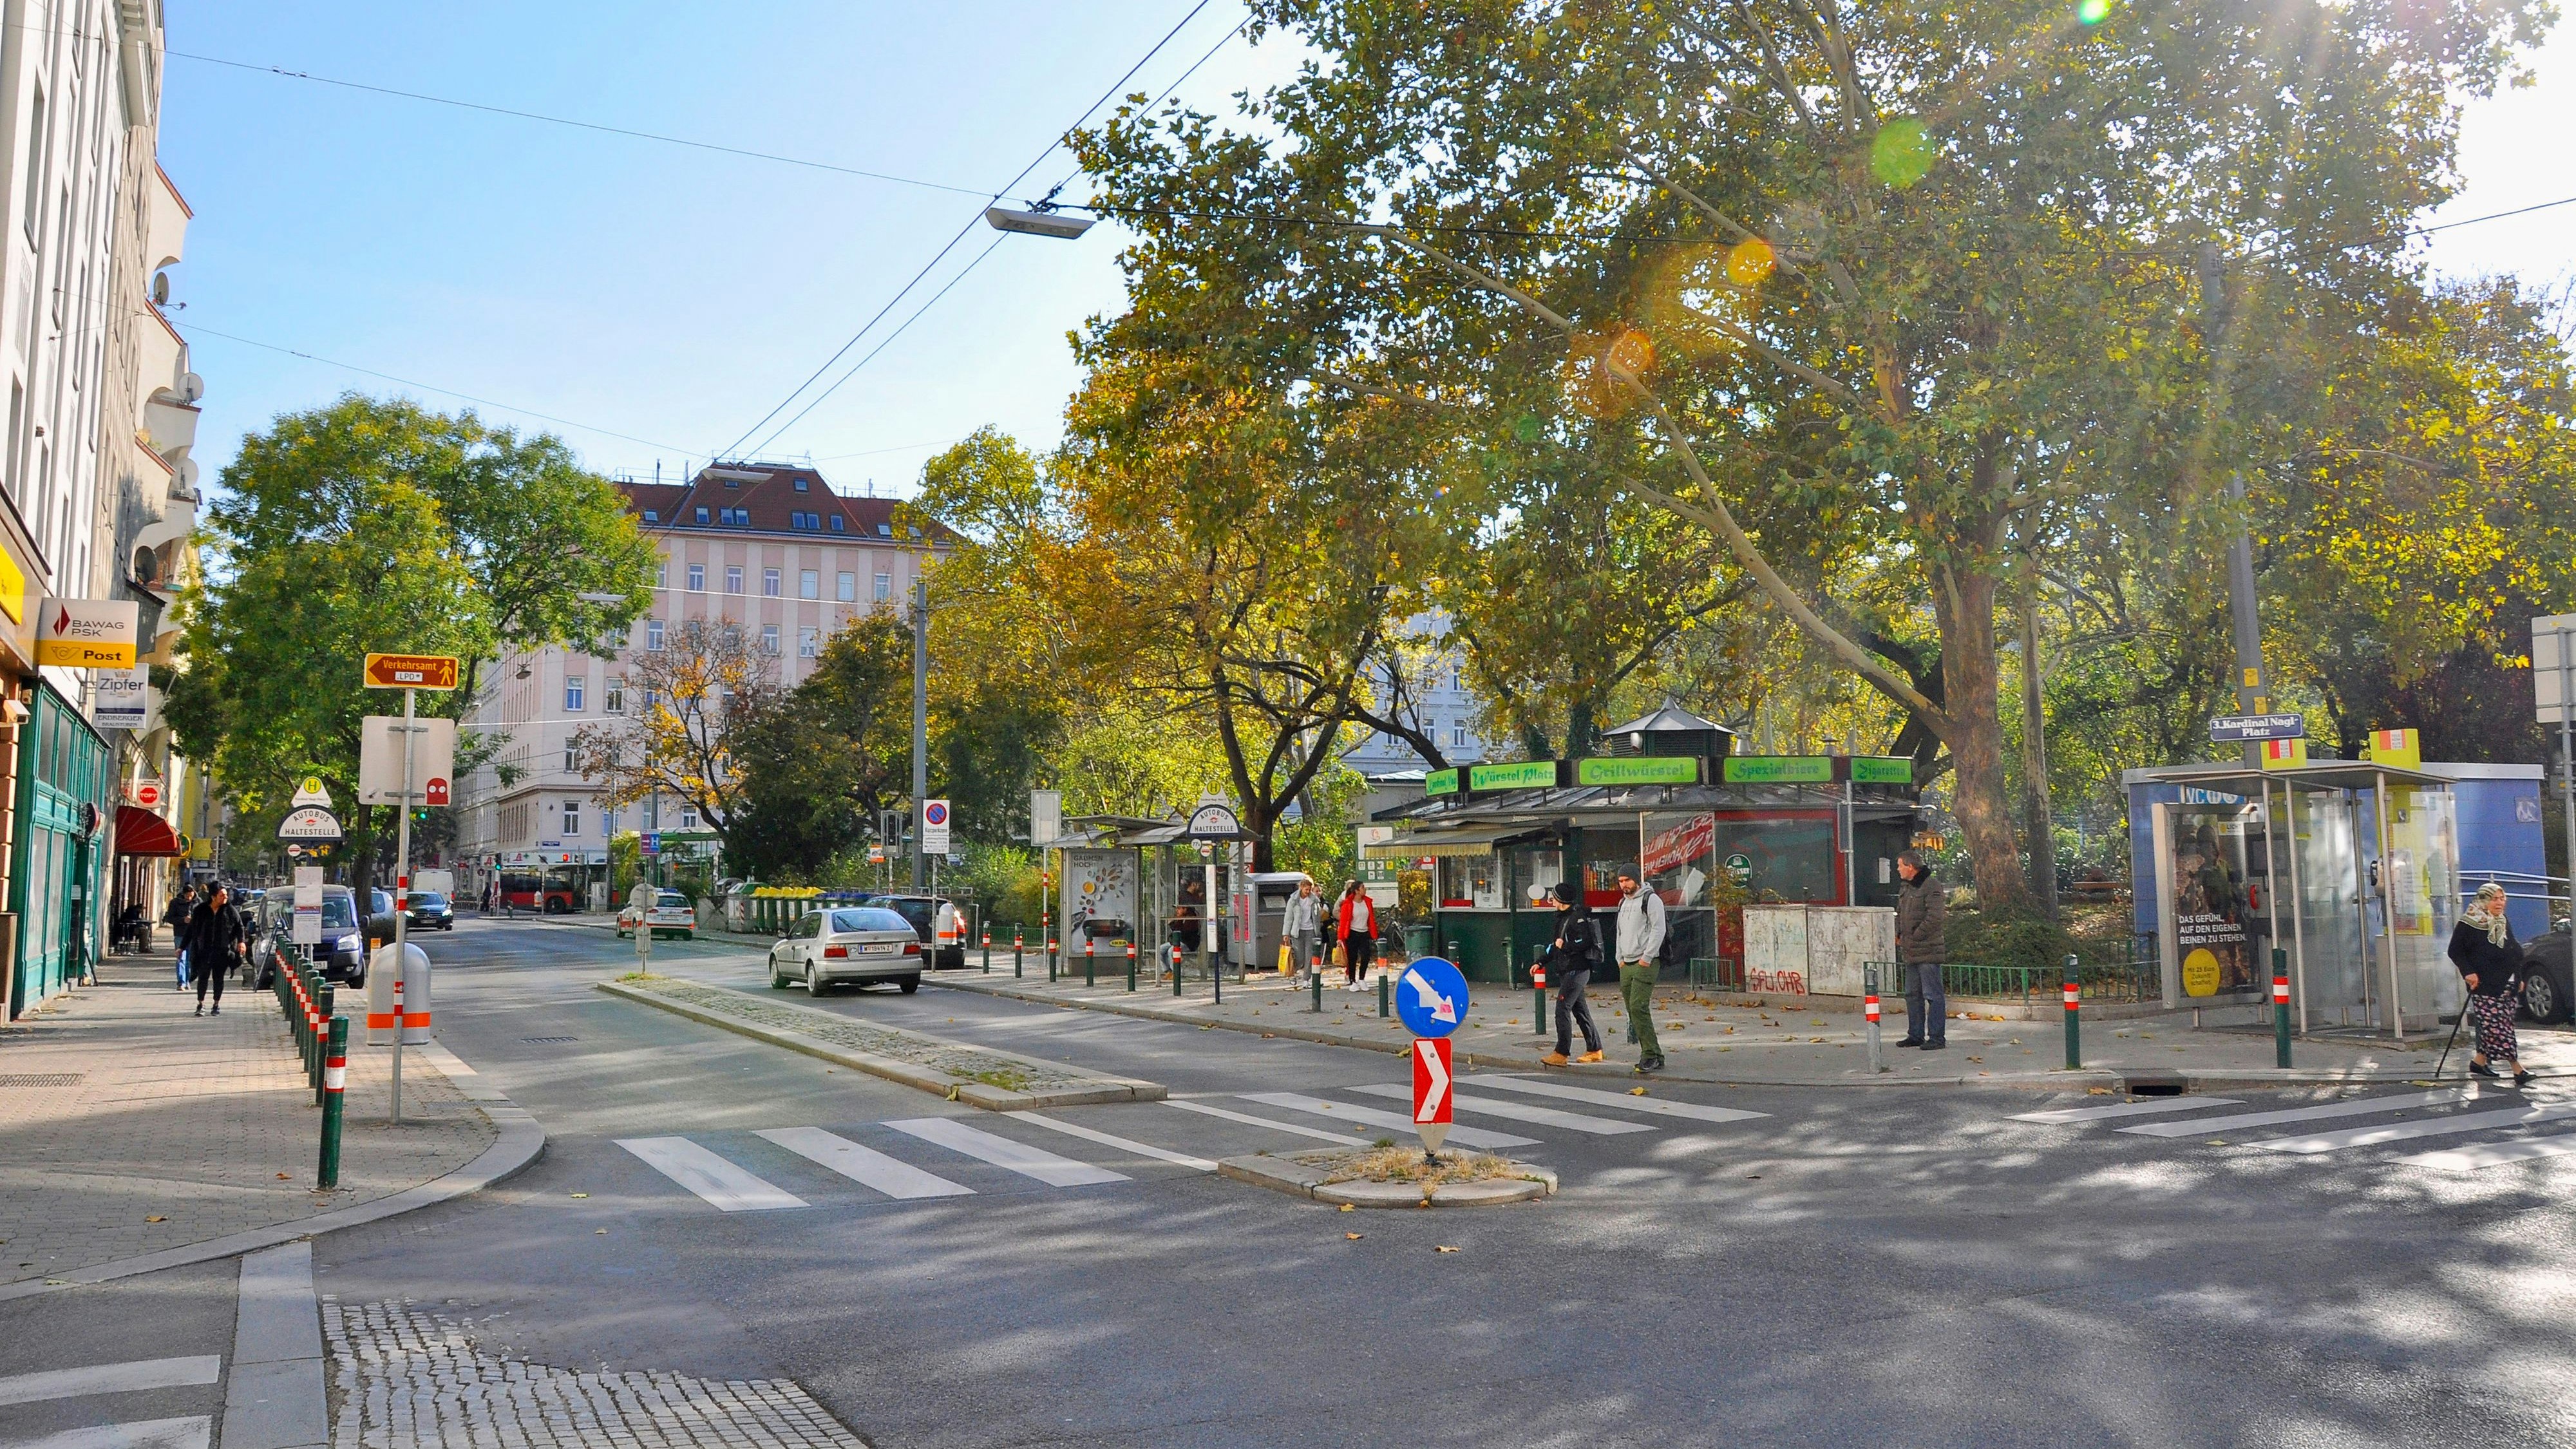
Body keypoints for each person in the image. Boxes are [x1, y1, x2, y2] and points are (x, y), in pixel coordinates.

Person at [2450, 881, 2530, 1087]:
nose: (2500, 903)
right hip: (2484, 984)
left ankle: (2479, 1062)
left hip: (2508, 982)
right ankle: (2517, 1068)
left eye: (2502, 898)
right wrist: (2468, 972)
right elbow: (2455, 951)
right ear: (2483, 899)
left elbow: (2513, 951)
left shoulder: (2502, 920)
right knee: (2498, 1028)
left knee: (2496, 1027)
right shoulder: (2469, 923)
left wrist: (2519, 977)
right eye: (2494, 898)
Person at [1540, 881, 1605, 1066]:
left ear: (1560, 899)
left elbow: (1585, 942)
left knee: (1562, 1009)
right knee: (1580, 1011)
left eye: (1553, 896)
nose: (1551, 900)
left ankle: (1561, 1053)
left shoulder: (1577, 918)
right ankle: (1595, 1049)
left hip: (1577, 970)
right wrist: (1540, 962)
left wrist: (1566, 946)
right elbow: (1555, 946)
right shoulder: (1561, 917)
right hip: (1568, 969)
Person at [1615, 870, 1669, 1074]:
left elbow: (1658, 929)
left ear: (1636, 879)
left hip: (1645, 961)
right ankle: (1655, 1053)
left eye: (1627, 880)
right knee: (1633, 1010)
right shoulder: (1623, 903)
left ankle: (1649, 1056)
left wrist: (1647, 957)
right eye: (1620, 881)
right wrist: (1619, 958)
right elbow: (1619, 932)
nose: (1623, 885)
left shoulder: (1651, 899)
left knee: (1638, 1007)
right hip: (1626, 962)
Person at [1894, 851, 1947, 1051]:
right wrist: (1899, 933)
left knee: (1932, 995)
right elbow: (1901, 913)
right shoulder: (1907, 887)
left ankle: (1936, 1037)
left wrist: (1916, 935)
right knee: (1912, 994)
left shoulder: (1930, 885)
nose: (1898, 869)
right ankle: (1915, 1035)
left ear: (1910, 867)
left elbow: (1936, 916)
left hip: (1927, 949)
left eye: (1900, 865)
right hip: (1911, 950)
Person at [186, 884, 249, 1017]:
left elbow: (239, 926)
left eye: (226, 895)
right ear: (213, 897)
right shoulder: (201, 910)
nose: (226, 897)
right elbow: (192, 929)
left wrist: (241, 942)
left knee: (218, 978)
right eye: (222, 895)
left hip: (223, 950)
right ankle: (201, 1004)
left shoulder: (229, 910)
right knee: (203, 976)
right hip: (204, 950)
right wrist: (181, 947)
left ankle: (216, 1005)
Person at [1336, 882, 1377, 989]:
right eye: (1363, 887)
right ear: (1357, 891)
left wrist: (1374, 933)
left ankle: (1362, 979)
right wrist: (1340, 938)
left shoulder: (1367, 902)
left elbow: (1371, 919)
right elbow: (1343, 922)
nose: (1365, 889)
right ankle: (1353, 981)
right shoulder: (1348, 904)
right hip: (1352, 933)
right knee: (1352, 958)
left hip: (1365, 932)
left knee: (1366, 956)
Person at [1283, 878, 1323, 982]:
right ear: (1301, 888)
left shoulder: (1314, 900)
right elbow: (1289, 917)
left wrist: (1317, 931)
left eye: (1309, 890)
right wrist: (1286, 933)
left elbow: (1317, 917)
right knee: (1299, 957)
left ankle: (1306, 980)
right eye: (1306, 890)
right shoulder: (1294, 900)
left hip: (1310, 930)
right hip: (1298, 931)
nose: (1308, 892)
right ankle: (1293, 973)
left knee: (1309, 956)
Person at [162, 884, 199, 990]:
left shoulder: (198, 902)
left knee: (190, 960)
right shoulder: (175, 903)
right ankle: (181, 982)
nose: (189, 897)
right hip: (180, 934)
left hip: (194, 934)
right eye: (187, 895)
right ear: (183, 894)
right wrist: (183, 920)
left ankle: (188, 981)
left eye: (191, 895)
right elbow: (170, 918)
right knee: (181, 958)